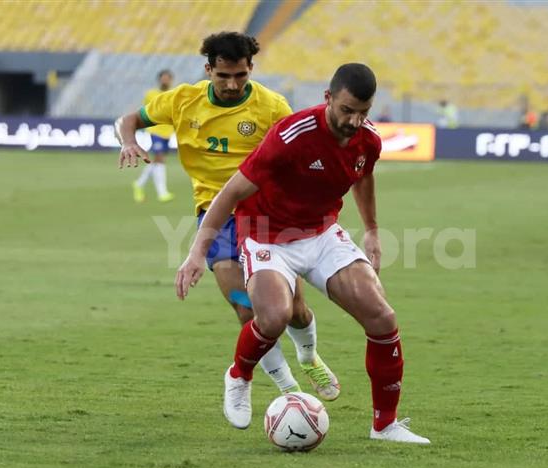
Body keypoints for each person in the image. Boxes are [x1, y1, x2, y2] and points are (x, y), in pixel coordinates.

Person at [176, 63, 430, 444]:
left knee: (382, 317)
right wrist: (197, 253)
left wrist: (373, 231)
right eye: (346, 110)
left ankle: (385, 426)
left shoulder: (368, 140)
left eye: (363, 111)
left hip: (321, 233)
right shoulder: (291, 136)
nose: (354, 120)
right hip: (265, 234)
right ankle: (239, 376)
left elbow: (362, 176)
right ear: (328, 99)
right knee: (275, 315)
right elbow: (229, 193)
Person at [115, 32, 339, 402]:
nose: (233, 85)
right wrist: (128, 140)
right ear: (208, 70)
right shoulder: (183, 101)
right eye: (223, 76)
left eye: (241, 76)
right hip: (217, 219)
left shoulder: (271, 106)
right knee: (245, 306)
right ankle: (290, 393)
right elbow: (128, 120)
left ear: (251, 69)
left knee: (294, 311)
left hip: (268, 217)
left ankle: (308, 355)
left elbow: (305, 150)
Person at [132, 69, 175, 203]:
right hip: (155, 130)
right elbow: (146, 111)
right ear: (159, 80)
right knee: (159, 159)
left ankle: (139, 184)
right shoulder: (151, 94)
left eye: (167, 78)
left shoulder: (174, 94)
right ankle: (162, 192)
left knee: (157, 161)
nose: (165, 80)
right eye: (163, 78)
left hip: (168, 131)